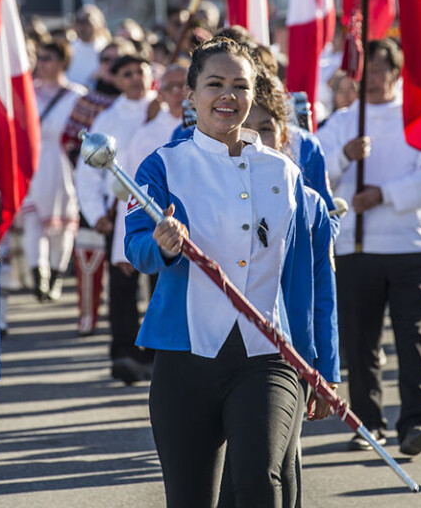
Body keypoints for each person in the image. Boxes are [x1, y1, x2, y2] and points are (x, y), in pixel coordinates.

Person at [125, 38, 338, 506]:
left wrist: (322, 367)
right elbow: (136, 247)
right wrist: (159, 246)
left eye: (240, 85)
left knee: (258, 482)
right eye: (215, 83)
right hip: (185, 358)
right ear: (191, 94)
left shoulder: (284, 173)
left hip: (269, 357)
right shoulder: (163, 165)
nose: (228, 95)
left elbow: (307, 281)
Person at [317, 38, 421, 455]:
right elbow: (312, 173)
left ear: (396, 71)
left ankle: (417, 422)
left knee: (412, 338)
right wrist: (342, 157)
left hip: (409, 244)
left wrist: (384, 194)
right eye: (365, 69)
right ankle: (367, 421)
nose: (371, 78)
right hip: (357, 247)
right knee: (361, 342)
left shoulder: (419, 118)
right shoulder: (342, 122)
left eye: (380, 69)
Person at [238, 68, 340, 506]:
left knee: (278, 466)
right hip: (218, 353)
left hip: (283, 354)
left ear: (284, 135)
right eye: (248, 127)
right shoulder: (210, 191)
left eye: (267, 127)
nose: (256, 136)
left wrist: (326, 373)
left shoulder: (309, 202)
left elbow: (322, 299)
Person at [75, 53, 158, 384]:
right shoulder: (108, 119)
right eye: (127, 73)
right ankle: (124, 351)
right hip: (121, 210)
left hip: (160, 209)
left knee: (160, 283)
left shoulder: (164, 109)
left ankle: (156, 353)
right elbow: (88, 169)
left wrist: (157, 118)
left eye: (141, 70)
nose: (136, 78)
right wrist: (95, 214)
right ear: (116, 80)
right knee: (122, 285)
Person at [18, 37, 86, 302]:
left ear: (62, 62)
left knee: (64, 225)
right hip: (33, 163)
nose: (42, 64)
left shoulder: (77, 95)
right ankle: (40, 277)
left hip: (63, 165)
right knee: (33, 220)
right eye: (40, 58)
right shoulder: (27, 91)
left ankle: (56, 276)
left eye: (48, 58)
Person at [68, 4, 110, 88]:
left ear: (99, 24)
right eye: (78, 21)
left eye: (86, 21)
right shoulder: (68, 49)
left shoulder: (107, 50)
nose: (81, 26)